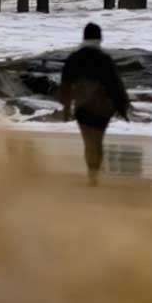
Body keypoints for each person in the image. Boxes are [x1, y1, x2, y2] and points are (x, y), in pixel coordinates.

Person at [59, 22, 130, 185]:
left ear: (84, 37)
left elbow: (66, 83)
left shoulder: (74, 58)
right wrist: (122, 107)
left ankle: (92, 172)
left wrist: (66, 106)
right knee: (98, 140)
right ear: (100, 38)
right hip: (103, 107)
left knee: (88, 141)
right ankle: (94, 172)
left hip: (82, 106)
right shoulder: (105, 59)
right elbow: (115, 85)